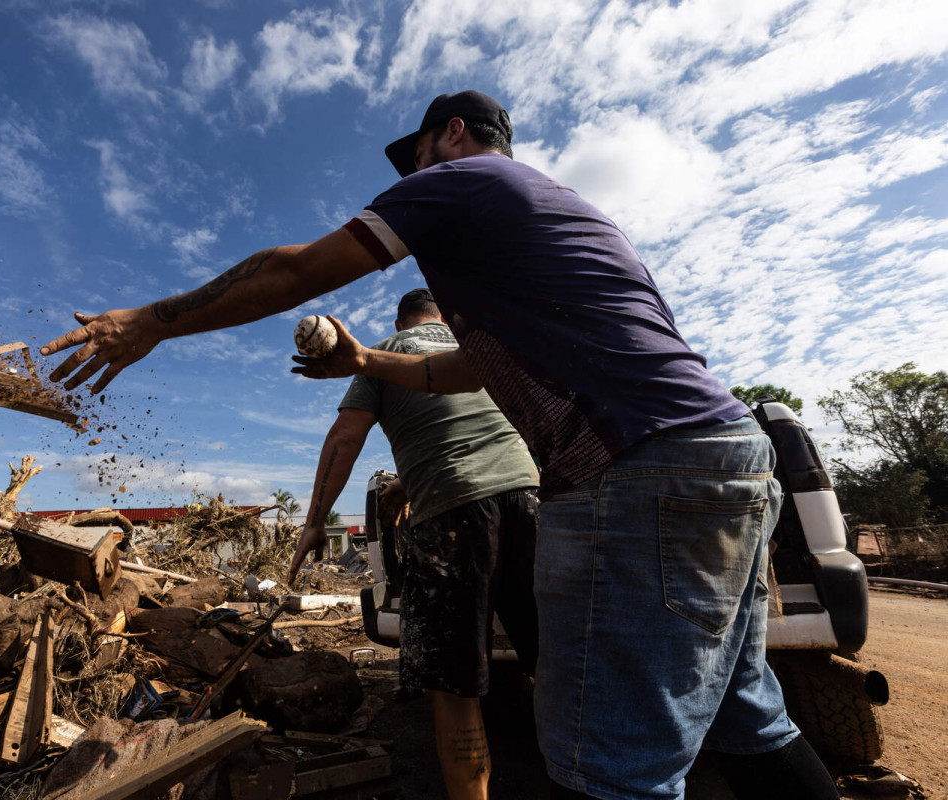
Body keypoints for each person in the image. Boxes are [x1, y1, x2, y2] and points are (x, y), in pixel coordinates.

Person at [41, 90, 840, 800]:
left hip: (637, 473)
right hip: (720, 455)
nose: (412, 170)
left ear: (452, 134)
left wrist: (151, 320)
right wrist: (360, 360)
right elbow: (467, 368)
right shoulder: (550, 218)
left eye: (416, 152)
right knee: (744, 711)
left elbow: (297, 270)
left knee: (610, 763)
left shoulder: (462, 183)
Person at [288, 287, 540, 800]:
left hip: (452, 513)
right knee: (554, 663)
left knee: (454, 687)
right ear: (441, 316)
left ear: (400, 322)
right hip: (532, 501)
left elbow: (345, 438)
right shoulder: (481, 347)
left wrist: (315, 521)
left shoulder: (382, 354)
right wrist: (406, 482)